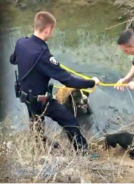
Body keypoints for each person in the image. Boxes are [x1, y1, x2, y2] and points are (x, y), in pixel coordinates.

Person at [10, 11, 100, 153]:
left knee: (36, 122)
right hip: (41, 100)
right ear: (48, 29)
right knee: (70, 122)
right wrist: (91, 83)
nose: (53, 32)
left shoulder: (21, 43)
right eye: (53, 30)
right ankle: (83, 153)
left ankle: (38, 147)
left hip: (25, 97)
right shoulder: (44, 56)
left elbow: (12, 59)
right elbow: (68, 81)